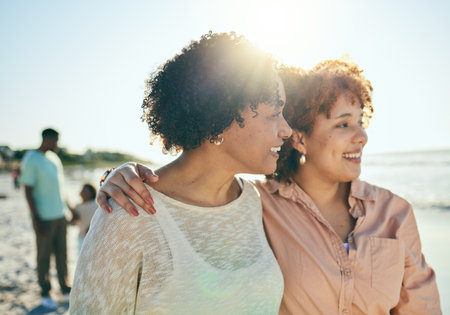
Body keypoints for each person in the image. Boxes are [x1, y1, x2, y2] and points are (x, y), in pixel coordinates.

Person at [101, 58, 441, 314]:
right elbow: (199, 187)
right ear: (301, 139)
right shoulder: (255, 204)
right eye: (343, 124)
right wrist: (120, 175)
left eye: (361, 122)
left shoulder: (395, 212)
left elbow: (422, 306)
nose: (362, 136)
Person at [69, 32, 291, 314]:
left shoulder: (258, 201)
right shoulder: (129, 213)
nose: (287, 130)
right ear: (220, 114)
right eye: (275, 113)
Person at [19, 128, 71, 309]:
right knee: (43, 257)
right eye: (55, 141)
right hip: (44, 218)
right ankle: (45, 292)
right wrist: (36, 218)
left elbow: (60, 187)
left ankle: (65, 289)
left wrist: (70, 208)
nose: (57, 144)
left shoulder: (54, 159)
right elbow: (27, 190)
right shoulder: (32, 158)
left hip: (60, 215)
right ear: (47, 139)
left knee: (62, 255)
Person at [69, 183, 97, 252]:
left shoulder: (95, 206)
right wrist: (73, 213)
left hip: (94, 237)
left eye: (85, 190)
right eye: (82, 189)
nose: (82, 191)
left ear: (91, 193)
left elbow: (98, 220)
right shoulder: (78, 207)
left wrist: (91, 226)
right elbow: (74, 222)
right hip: (81, 237)